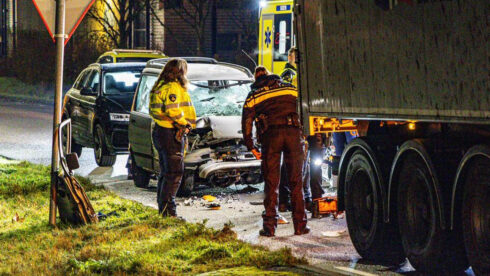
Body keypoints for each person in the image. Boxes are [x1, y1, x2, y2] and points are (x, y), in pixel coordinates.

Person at [242, 66, 309, 237]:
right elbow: (305, 108)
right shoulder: (290, 88)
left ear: (256, 80)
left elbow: (247, 122)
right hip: (294, 135)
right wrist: (307, 137)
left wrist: (251, 146)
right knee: (296, 182)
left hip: (271, 137)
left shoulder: (254, 95)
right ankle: (300, 226)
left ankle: (270, 228)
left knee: (272, 184)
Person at [278, 47, 325, 212]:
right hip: (305, 127)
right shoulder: (292, 76)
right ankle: (305, 200)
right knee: (302, 166)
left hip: (307, 127)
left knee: (303, 165)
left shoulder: (300, 76)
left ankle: (305, 200)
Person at [149, 58, 196, 217]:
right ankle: (170, 213)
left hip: (161, 132)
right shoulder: (173, 87)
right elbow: (173, 111)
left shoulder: (160, 85)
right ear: (180, 72)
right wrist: (185, 124)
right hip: (171, 133)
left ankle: (163, 211)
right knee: (174, 173)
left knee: (166, 173)